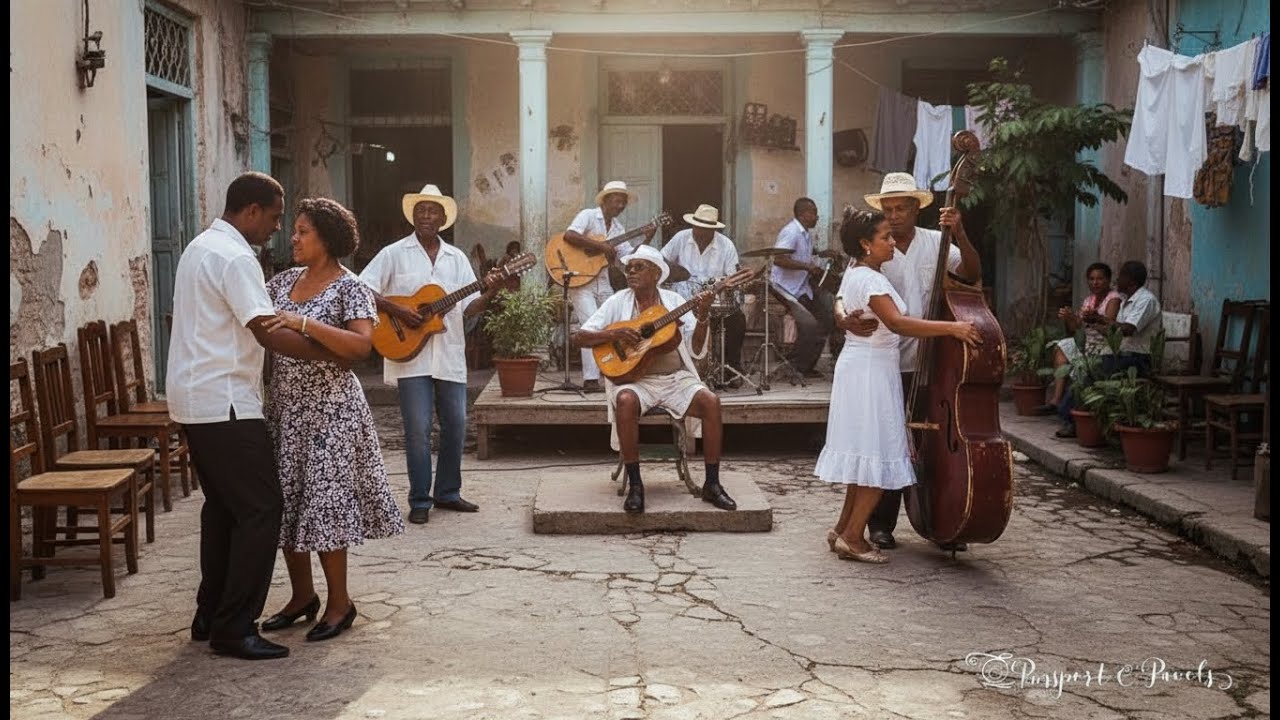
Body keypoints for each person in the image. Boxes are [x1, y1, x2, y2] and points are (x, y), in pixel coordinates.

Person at [168, 172, 346, 660]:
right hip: (225, 401)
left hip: (194, 398)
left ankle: (210, 614)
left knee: (223, 510)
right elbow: (266, 331)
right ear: (250, 211)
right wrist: (330, 349)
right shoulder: (235, 257)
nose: (277, 227)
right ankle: (234, 626)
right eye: (273, 216)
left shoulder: (200, 246)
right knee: (261, 511)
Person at [256, 198, 405, 642]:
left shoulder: (350, 288)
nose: (293, 238)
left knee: (325, 504)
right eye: (294, 231)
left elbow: (361, 349)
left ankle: (340, 602)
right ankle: (303, 597)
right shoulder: (280, 283)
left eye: (303, 232)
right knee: (287, 501)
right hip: (285, 408)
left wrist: (305, 325)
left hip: (332, 412)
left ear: (327, 239)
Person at [818, 209, 982, 563]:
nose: (892, 243)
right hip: (871, 372)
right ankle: (853, 537)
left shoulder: (858, 272)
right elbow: (896, 323)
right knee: (879, 453)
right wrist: (952, 328)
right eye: (884, 238)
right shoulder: (872, 279)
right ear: (866, 244)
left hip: (862, 368)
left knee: (864, 455)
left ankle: (843, 529)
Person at [359, 183, 502, 525]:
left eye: (433, 211)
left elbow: (469, 308)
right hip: (409, 355)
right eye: (421, 210)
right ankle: (420, 499)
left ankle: (448, 493)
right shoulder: (394, 253)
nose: (426, 216)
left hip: (449, 354)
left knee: (455, 425)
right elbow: (361, 286)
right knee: (418, 429)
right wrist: (399, 309)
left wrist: (491, 288)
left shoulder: (456, 258)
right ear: (413, 215)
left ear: (442, 219)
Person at [854, 172, 982, 552]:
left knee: (936, 447)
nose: (894, 216)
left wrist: (959, 233)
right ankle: (881, 525)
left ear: (916, 208)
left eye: (901, 208)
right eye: (888, 209)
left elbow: (972, 274)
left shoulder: (936, 242)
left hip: (936, 364)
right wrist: (844, 316)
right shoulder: (877, 248)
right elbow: (850, 290)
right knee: (891, 443)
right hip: (889, 358)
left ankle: (945, 518)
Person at [571, 245, 737, 514]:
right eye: (629, 268)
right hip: (636, 381)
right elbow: (580, 337)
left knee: (711, 402)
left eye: (639, 267)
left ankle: (712, 484)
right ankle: (636, 485)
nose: (631, 272)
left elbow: (697, 349)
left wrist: (703, 314)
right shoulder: (617, 302)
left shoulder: (673, 302)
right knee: (624, 400)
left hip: (675, 379)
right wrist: (616, 334)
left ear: (656, 273)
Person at [563, 181, 656, 393]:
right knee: (590, 324)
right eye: (618, 200)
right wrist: (600, 246)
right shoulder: (588, 215)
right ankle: (590, 379)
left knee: (615, 324)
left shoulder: (618, 228)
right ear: (606, 200)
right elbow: (570, 235)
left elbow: (628, 259)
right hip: (581, 278)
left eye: (624, 202)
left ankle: (614, 369)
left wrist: (647, 238)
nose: (621, 205)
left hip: (602, 279)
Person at [1055, 260, 1162, 439]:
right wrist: (1098, 320)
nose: (1117, 280)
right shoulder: (1129, 300)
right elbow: (1114, 327)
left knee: (1090, 372)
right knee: (1085, 368)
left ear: (1131, 281)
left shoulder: (1146, 300)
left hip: (1137, 358)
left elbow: (1127, 329)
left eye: (1120, 276)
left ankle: (1070, 418)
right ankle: (1073, 417)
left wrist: (1100, 321)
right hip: (1121, 354)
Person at [661, 204, 747, 381]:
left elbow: (732, 277)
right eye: (697, 228)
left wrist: (722, 285)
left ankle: (730, 369)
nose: (699, 232)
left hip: (714, 299)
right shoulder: (681, 238)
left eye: (705, 229)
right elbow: (662, 260)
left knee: (737, 320)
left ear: (713, 230)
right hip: (684, 301)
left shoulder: (726, 245)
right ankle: (680, 368)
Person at [1034, 262, 1124, 415]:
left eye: (1100, 279)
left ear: (1108, 280)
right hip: (1088, 344)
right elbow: (1076, 328)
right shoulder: (1089, 300)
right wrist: (1069, 317)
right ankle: (1056, 400)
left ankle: (1073, 406)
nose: (1095, 283)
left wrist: (1093, 319)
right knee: (1061, 347)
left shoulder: (1114, 298)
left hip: (1107, 347)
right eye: (1091, 279)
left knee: (1083, 362)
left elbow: (1109, 326)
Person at [769, 197, 832, 378]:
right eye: (814, 213)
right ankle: (796, 366)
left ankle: (805, 366)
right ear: (805, 214)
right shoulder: (791, 232)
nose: (817, 217)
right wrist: (807, 267)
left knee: (825, 320)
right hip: (786, 288)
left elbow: (802, 251)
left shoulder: (804, 233)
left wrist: (821, 253)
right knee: (810, 324)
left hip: (801, 287)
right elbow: (779, 259)